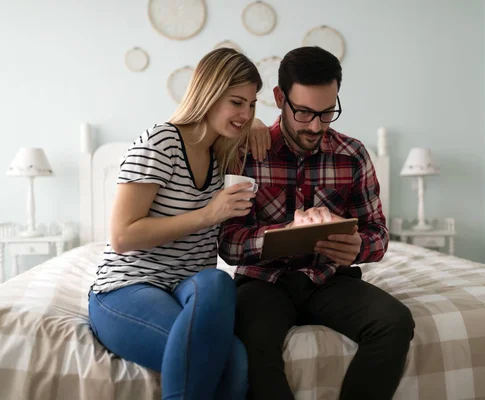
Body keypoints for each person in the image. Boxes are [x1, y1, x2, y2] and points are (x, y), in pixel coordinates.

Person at [218, 46, 416, 400]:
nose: (316, 126)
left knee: (395, 322)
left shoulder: (352, 155)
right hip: (263, 284)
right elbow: (229, 244)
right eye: (305, 112)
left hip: (329, 280)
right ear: (280, 98)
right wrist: (285, 234)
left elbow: (379, 234)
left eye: (327, 113)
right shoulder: (244, 153)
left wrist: (360, 247)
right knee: (251, 342)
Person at [87, 48, 271, 400]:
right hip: (127, 285)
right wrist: (208, 214)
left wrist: (258, 124)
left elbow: (265, 132)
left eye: (251, 105)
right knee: (232, 360)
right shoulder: (160, 142)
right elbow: (123, 236)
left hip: (186, 285)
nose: (245, 114)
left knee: (218, 281)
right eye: (237, 102)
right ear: (209, 93)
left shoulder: (224, 152)